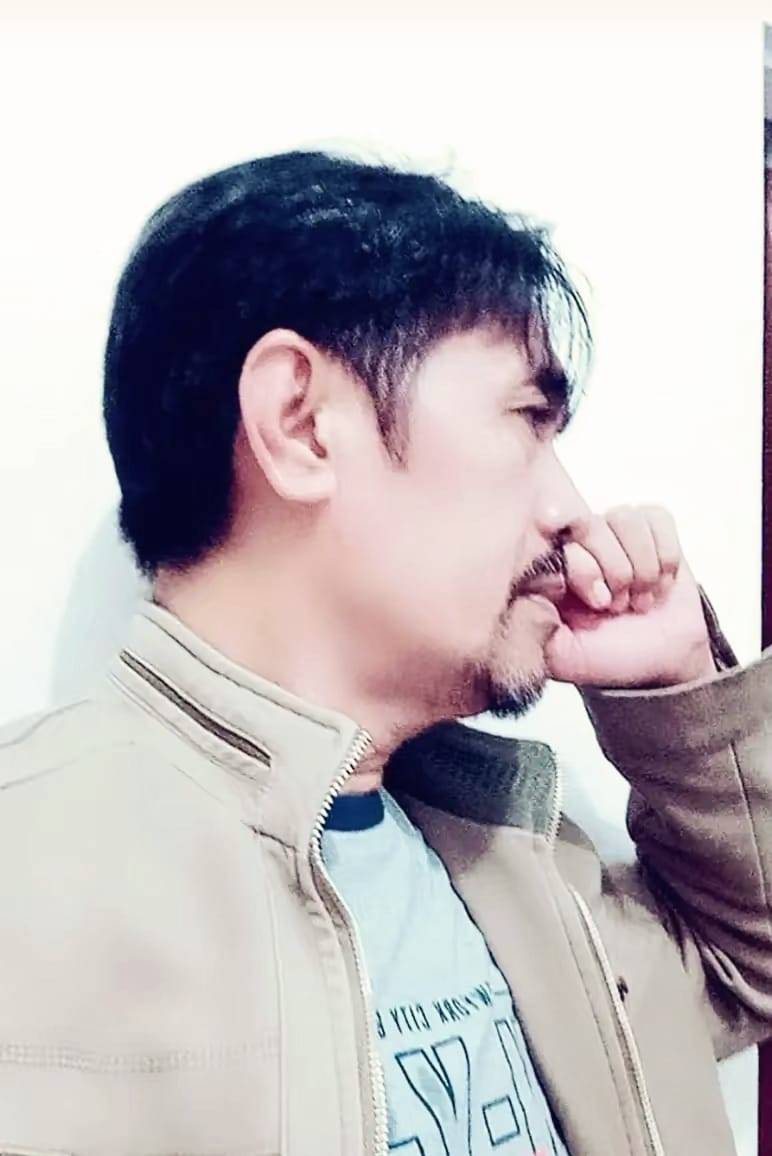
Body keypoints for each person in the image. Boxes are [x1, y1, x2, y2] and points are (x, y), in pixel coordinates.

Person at [0, 152, 769, 1156]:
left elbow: (750, 965)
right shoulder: (29, 880)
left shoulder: (512, 854)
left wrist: (682, 696)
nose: (572, 511)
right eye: (527, 420)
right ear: (301, 424)